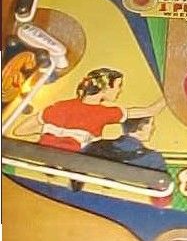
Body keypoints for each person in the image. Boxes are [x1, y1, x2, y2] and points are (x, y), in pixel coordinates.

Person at [14, 68, 165, 153]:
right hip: (75, 164)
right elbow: (150, 111)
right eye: (118, 86)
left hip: (41, 158)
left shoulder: (59, 106)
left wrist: (50, 130)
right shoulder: (104, 113)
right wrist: (171, 94)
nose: (120, 91)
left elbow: (20, 131)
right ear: (105, 88)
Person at [83, 116, 166, 171]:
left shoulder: (94, 146)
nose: (154, 128)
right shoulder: (153, 157)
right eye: (151, 123)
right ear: (141, 127)